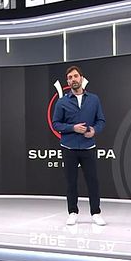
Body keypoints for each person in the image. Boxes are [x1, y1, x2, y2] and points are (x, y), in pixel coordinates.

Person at [52, 66, 107, 226]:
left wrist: (94, 130)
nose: (73, 79)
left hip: (88, 147)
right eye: (70, 78)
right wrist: (72, 128)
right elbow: (56, 124)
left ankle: (96, 213)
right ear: (67, 82)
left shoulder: (94, 99)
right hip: (69, 148)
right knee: (71, 182)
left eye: (75, 76)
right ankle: (72, 212)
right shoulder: (62, 102)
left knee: (93, 181)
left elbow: (101, 120)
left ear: (81, 78)